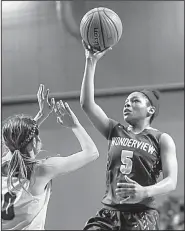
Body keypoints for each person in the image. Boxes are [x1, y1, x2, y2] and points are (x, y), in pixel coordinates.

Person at [80, 41, 178, 230]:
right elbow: (87, 104)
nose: (127, 104)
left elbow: (171, 181)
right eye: (126, 102)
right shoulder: (114, 130)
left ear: (150, 110)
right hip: (110, 213)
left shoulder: (161, 139)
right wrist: (90, 62)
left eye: (134, 101)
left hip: (141, 214)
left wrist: (144, 191)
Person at [2, 84, 99, 230]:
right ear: (35, 142)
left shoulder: (3, 165)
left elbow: (21, 140)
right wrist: (75, 125)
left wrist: (41, 115)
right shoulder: (41, 170)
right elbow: (92, 152)